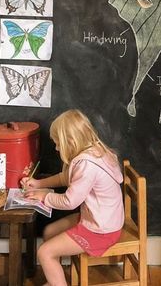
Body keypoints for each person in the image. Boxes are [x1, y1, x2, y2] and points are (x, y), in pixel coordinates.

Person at [21, 109, 124, 286]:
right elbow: (65, 178)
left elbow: (70, 202)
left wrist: (45, 196)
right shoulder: (93, 152)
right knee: (49, 232)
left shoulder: (86, 165)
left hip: (101, 230)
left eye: (57, 143)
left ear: (70, 141)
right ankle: (55, 280)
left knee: (44, 253)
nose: (56, 148)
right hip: (98, 219)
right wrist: (39, 184)